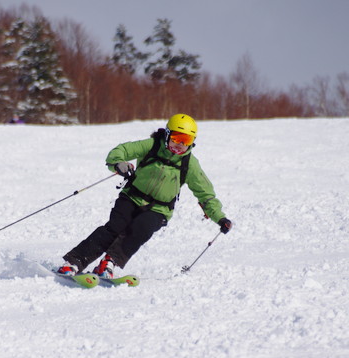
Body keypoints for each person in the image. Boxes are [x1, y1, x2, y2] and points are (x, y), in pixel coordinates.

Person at [57, 113, 232, 278]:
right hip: (131, 197)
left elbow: (206, 194)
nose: (180, 144)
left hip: (159, 209)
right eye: (176, 138)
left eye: (186, 140)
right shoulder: (151, 146)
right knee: (115, 227)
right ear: (167, 134)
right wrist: (119, 163)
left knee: (142, 228)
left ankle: (109, 262)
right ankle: (75, 261)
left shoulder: (190, 164)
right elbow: (120, 151)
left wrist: (220, 218)